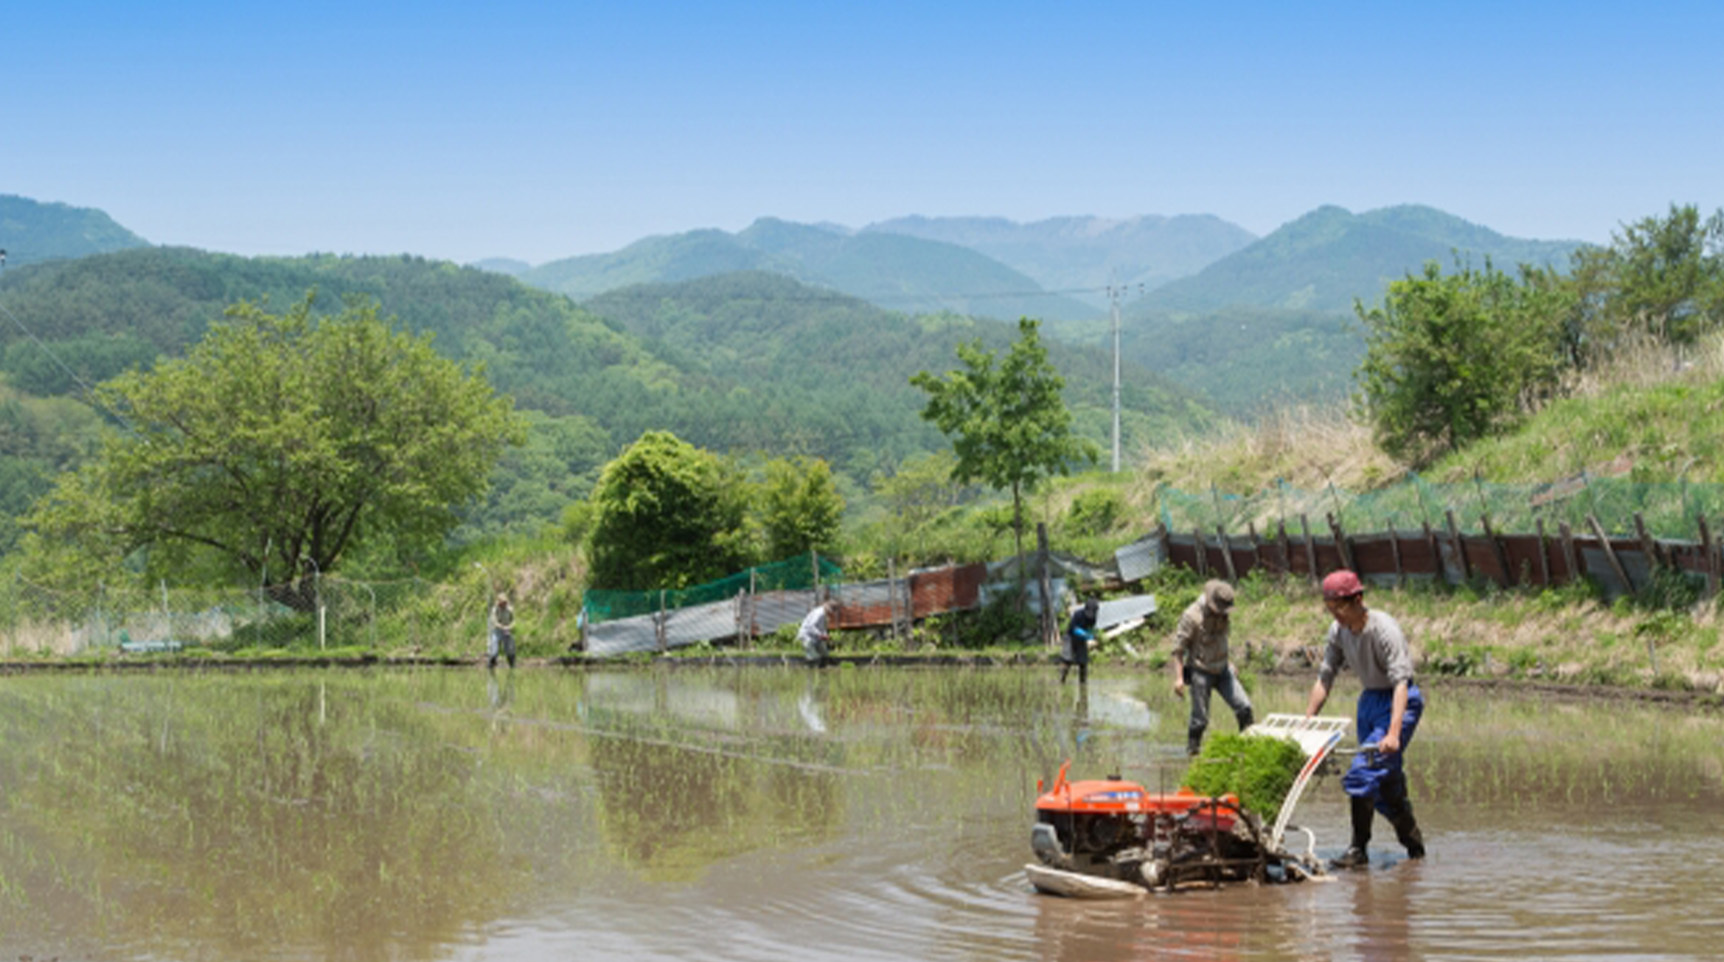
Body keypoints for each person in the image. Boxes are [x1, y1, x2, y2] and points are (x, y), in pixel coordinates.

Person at [1305, 569, 1426, 868]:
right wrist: (1307, 720)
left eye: (1340, 608)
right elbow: (1325, 677)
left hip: (1400, 702)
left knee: (1362, 773)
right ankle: (1416, 853)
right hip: (1370, 701)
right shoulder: (1338, 632)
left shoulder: (1385, 630)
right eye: (1331, 609)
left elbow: (1401, 682)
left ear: (1358, 599)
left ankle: (1357, 850)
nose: (1336, 616)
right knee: (1385, 783)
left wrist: (1394, 733)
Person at [1170, 579, 1254, 755]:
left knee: (1245, 708)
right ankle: (1192, 753)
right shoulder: (1192, 616)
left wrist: (1229, 662)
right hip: (1200, 671)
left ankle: (1248, 750)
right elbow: (1178, 649)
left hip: (1223, 670)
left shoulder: (1224, 614)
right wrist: (1178, 679)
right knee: (1200, 720)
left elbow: (1222, 639)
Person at [1059, 598, 1099, 685]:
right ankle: (1062, 681)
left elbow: (1091, 629)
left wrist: (1092, 637)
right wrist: (1086, 635)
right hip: (1070, 637)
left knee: (1083, 662)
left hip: (1081, 639)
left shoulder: (1093, 619)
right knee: (1067, 660)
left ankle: (1083, 684)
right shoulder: (1078, 615)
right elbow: (1074, 629)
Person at [798, 599, 837, 665]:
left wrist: (825, 635)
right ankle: (811, 669)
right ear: (827, 608)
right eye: (831, 611)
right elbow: (811, 626)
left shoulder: (824, 614)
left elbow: (823, 627)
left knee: (825, 654)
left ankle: (824, 668)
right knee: (814, 657)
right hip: (807, 636)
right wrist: (820, 635)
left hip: (816, 637)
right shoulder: (819, 613)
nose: (831, 613)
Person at [488, 593, 516, 669]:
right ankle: (491, 667)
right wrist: (503, 627)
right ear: (499, 602)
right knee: (494, 652)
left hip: (507, 631)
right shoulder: (495, 610)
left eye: (505, 602)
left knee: (509, 652)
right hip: (497, 631)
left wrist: (510, 627)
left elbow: (513, 620)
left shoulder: (510, 609)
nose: (504, 603)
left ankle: (512, 667)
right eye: (502, 602)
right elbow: (494, 622)